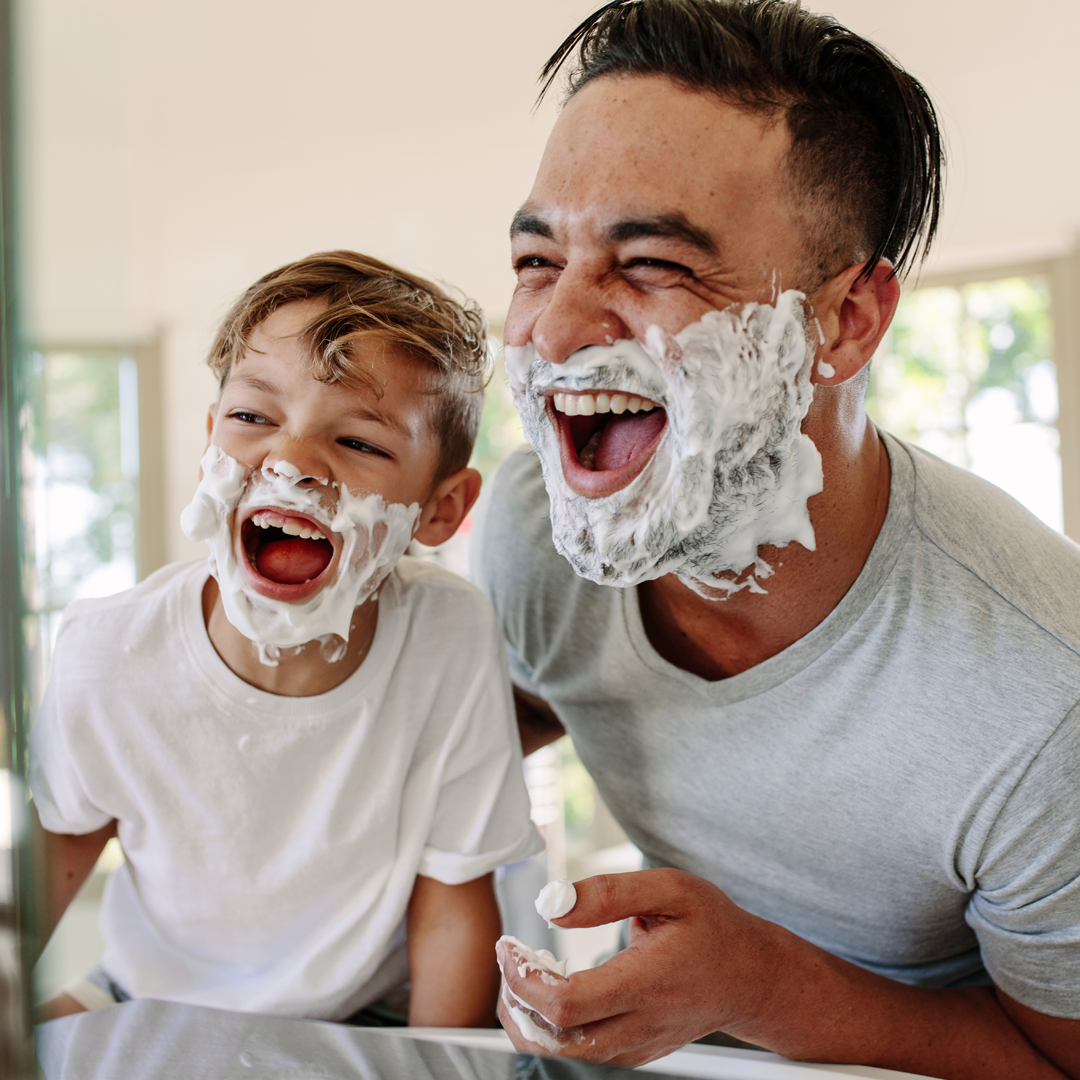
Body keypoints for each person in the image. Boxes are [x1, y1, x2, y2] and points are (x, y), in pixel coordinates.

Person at [471, 1, 1080, 1076]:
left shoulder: (1042, 699)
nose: (553, 330)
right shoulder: (535, 538)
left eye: (651, 264)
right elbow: (488, 723)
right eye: (536, 260)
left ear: (844, 321)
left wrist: (759, 986)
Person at [30, 251, 542, 1026]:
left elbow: (451, 910)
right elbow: (44, 873)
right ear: (210, 440)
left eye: (361, 443)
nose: (292, 463)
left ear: (440, 510)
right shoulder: (108, 654)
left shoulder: (447, 635)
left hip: (362, 1012)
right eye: (252, 417)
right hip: (148, 996)